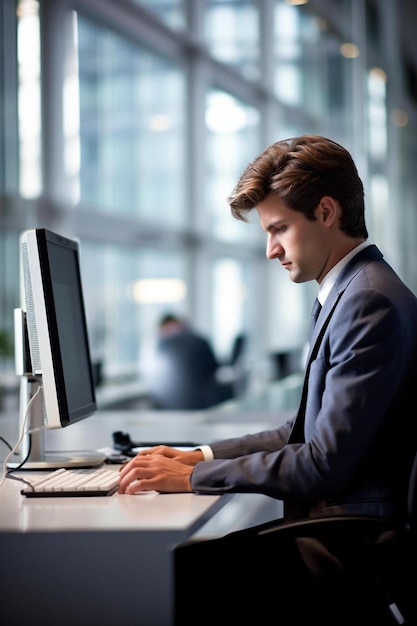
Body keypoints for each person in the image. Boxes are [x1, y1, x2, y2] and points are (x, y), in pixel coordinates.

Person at [119, 136, 417, 623]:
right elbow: (300, 431)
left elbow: (323, 464)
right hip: (338, 528)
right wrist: (200, 456)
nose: (269, 250)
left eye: (279, 228)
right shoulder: (352, 290)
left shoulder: (367, 301)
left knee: (188, 568)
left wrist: (192, 479)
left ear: (325, 212)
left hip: (347, 545)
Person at [145, 312, 233, 409]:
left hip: (166, 406)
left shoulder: (154, 347)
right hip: (204, 404)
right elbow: (214, 368)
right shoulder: (198, 340)